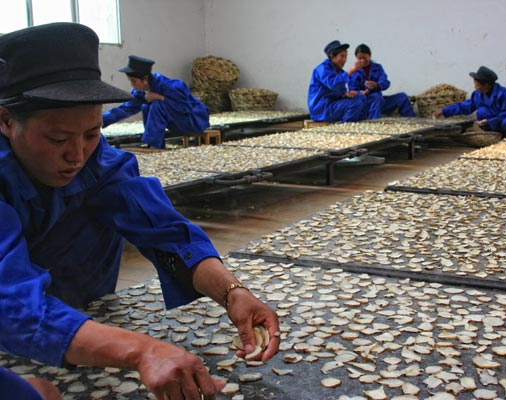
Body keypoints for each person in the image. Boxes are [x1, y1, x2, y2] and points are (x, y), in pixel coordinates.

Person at [0, 22, 280, 400]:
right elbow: (10, 302)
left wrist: (232, 292)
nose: (77, 155)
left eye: (91, 134)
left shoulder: (100, 164)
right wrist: (142, 350)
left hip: (85, 316)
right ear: (5, 121)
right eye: (58, 138)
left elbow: (164, 230)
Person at [102, 55, 210, 148]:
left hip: (194, 121)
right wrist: (102, 120)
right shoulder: (141, 92)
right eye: (130, 81)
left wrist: (162, 98)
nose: (132, 85)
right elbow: (126, 108)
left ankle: (154, 144)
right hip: (177, 123)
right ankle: (156, 144)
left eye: (134, 81)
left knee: (157, 105)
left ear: (145, 79)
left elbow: (185, 108)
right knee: (146, 106)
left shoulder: (170, 86)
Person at [433, 66, 506, 138]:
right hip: (495, 123)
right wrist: (445, 111)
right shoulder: (478, 94)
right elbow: (465, 106)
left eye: (478, 85)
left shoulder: (504, 94)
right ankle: (493, 136)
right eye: (475, 85)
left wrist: (490, 121)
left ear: (487, 85)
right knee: (482, 111)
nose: (476, 87)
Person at [307, 40, 368, 122]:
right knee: (354, 103)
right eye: (342, 56)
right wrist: (350, 71)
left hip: (333, 105)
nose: (344, 60)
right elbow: (333, 84)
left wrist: (346, 95)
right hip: (322, 110)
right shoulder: (322, 69)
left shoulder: (339, 71)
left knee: (361, 97)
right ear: (332, 56)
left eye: (346, 56)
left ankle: (359, 124)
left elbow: (340, 92)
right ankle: (345, 126)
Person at [349, 44, 415, 118]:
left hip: (380, 102)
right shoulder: (354, 71)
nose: (362, 60)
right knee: (376, 97)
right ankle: (374, 122)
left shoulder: (378, 67)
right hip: (364, 104)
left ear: (369, 56)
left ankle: (411, 120)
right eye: (360, 58)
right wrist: (361, 92)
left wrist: (377, 85)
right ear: (356, 58)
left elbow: (385, 82)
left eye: (364, 58)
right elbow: (352, 89)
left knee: (402, 96)